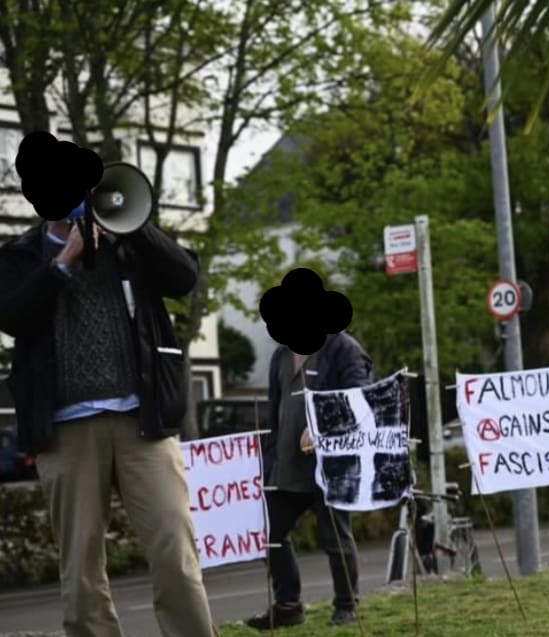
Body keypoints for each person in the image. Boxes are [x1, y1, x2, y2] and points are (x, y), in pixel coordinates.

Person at [0, 211, 219, 637]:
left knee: (175, 551)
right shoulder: (18, 256)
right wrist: (65, 259)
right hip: (65, 429)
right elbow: (13, 316)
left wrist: (135, 226)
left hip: (143, 422)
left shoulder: (129, 243)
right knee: (80, 566)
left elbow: (184, 276)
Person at [246, 331, 373, 630]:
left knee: (335, 536)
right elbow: (275, 410)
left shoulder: (343, 348)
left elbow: (360, 398)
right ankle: (288, 606)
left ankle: (347, 606)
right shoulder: (281, 355)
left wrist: (324, 426)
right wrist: (268, 457)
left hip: (330, 462)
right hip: (286, 463)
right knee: (270, 532)